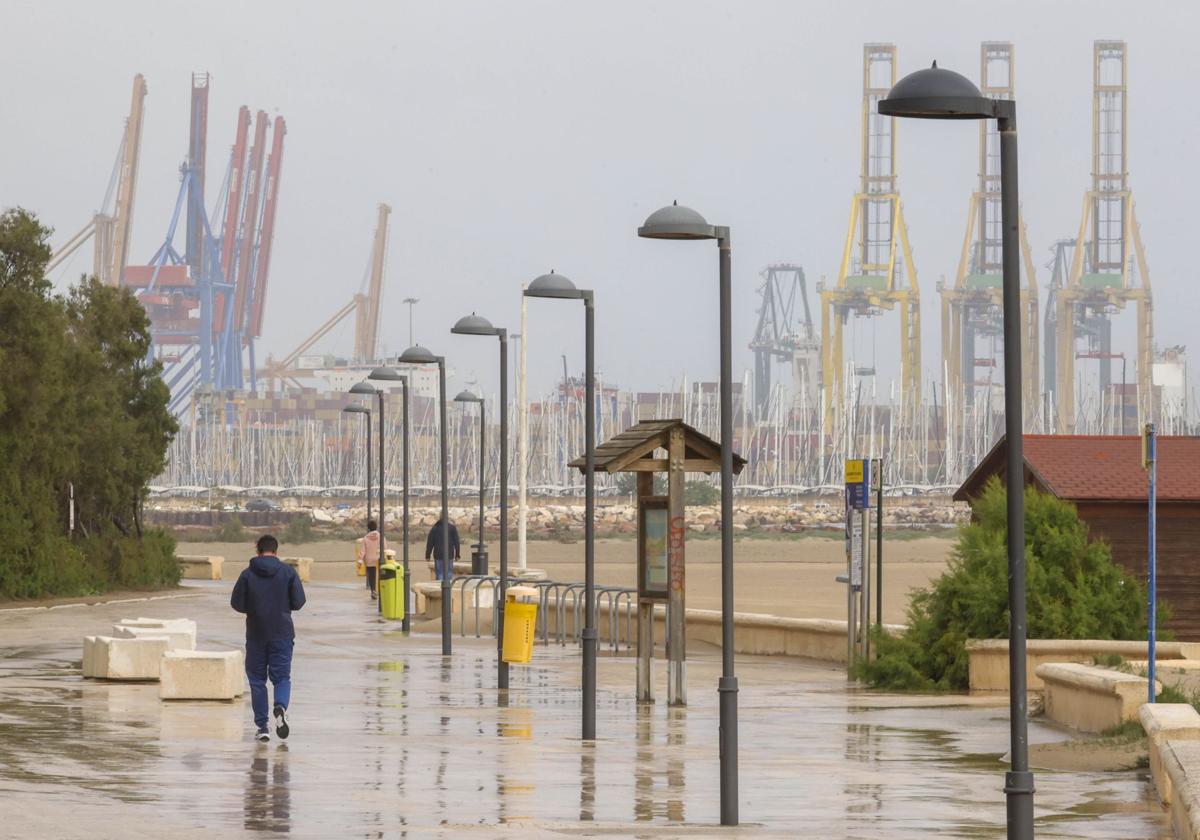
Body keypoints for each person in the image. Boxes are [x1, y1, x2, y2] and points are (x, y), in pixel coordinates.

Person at [231, 534, 306, 742]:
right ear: (276, 551)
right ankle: (280, 706)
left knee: (257, 680)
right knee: (281, 677)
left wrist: (254, 609)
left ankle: (263, 726)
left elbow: (236, 603)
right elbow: (299, 601)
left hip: (256, 633)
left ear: (257, 551)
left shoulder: (247, 575)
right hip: (282, 632)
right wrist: (283, 606)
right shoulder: (288, 573)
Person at [424, 516, 460, 581]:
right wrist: (457, 555)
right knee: (449, 573)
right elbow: (457, 542)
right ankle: (448, 588)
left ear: (439, 518)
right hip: (449, 554)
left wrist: (428, 555)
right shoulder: (452, 528)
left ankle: (441, 589)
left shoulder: (435, 528)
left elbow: (430, 543)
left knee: (440, 574)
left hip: (438, 554)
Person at [358, 519, 382, 600]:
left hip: (369, 559)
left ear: (368, 528)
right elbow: (385, 547)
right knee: (380, 575)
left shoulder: (365, 538)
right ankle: (380, 590)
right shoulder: (381, 537)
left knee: (371, 576)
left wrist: (360, 561)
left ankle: (373, 591)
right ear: (376, 527)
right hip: (379, 558)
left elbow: (362, 551)